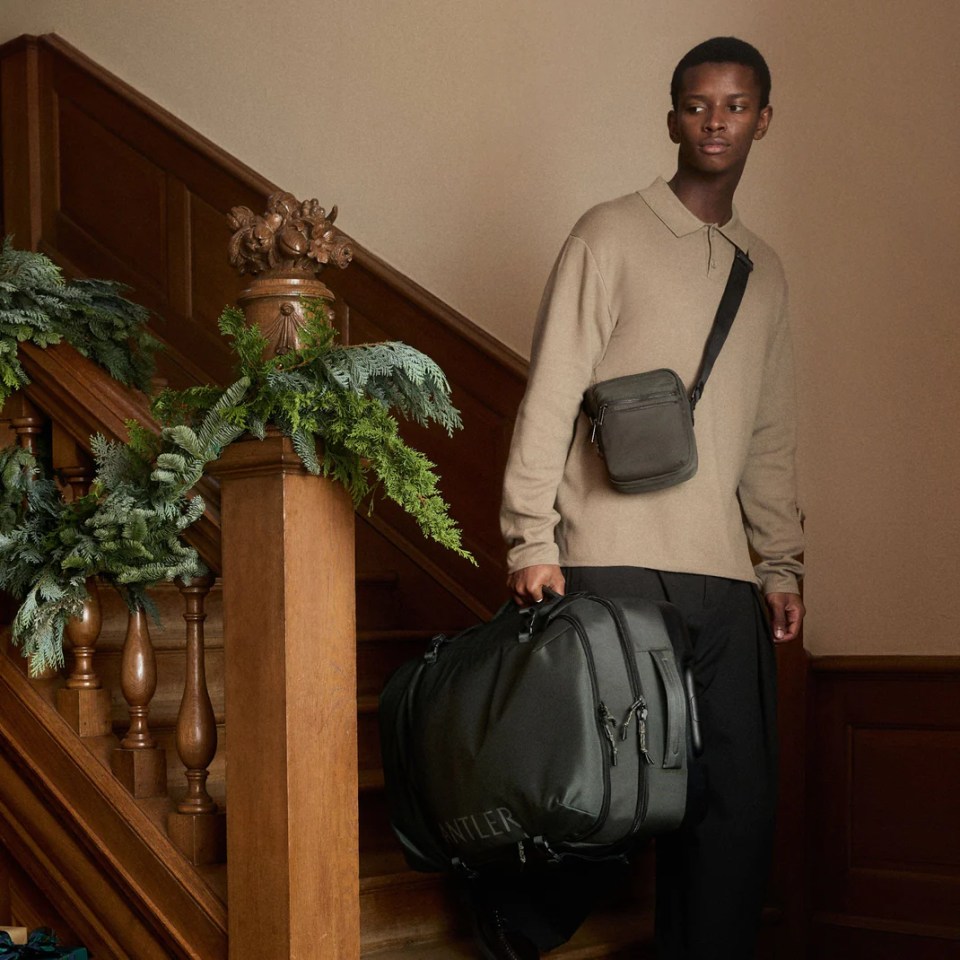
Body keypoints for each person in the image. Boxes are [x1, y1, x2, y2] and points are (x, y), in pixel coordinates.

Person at [480, 36, 806, 960]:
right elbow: (551, 391)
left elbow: (770, 429)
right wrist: (529, 539)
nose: (716, 121)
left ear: (763, 120)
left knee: (735, 808)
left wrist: (779, 561)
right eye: (699, 104)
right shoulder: (607, 233)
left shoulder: (765, 270)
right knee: (604, 793)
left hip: (725, 576)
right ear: (672, 119)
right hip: (608, 557)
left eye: (736, 105)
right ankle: (511, 927)